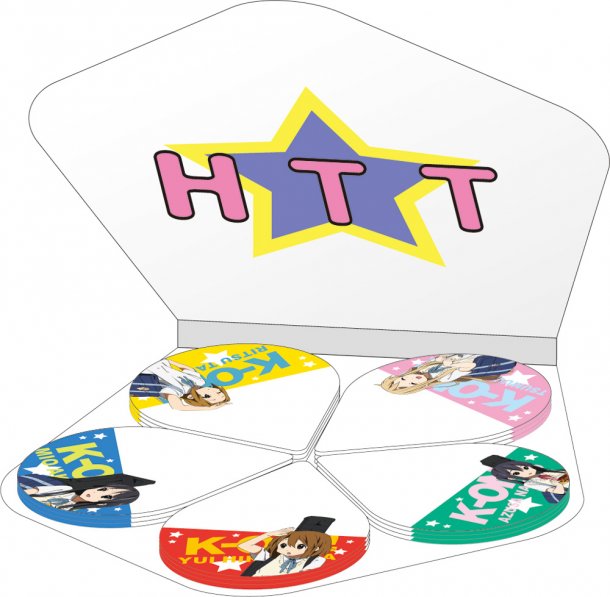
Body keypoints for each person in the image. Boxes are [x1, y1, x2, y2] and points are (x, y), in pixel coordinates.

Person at [239, 516, 335, 577]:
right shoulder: (271, 555)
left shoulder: (315, 560)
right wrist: (269, 534)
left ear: (316, 548)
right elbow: (244, 545)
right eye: (284, 545)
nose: (288, 549)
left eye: (300, 546)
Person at [380, 353, 517, 395]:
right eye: (413, 384)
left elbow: (440, 357)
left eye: (404, 378)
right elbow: (470, 367)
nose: (412, 379)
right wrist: (451, 364)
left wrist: (442, 358)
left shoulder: (424, 367)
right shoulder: (443, 377)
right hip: (480, 362)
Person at [130, 358, 231, 410]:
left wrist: (208, 408)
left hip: (146, 372)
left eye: (208, 396)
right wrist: (170, 362)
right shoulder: (200, 381)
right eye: (218, 392)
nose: (213, 392)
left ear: (191, 397)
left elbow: (178, 407)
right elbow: (189, 369)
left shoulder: (178, 391)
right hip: (160, 363)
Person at [17, 472, 155, 510]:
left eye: (106, 497)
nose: (96, 493)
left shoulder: (70, 509)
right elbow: (31, 491)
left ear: (103, 503)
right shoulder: (64, 489)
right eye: (102, 489)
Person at [481, 455, 569, 503]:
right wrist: (558, 484)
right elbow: (559, 492)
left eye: (525, 468)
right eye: (516, 473)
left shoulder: (544, 472)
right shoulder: (530, 483)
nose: (526, 471)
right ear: (510, 477)